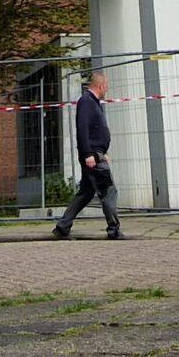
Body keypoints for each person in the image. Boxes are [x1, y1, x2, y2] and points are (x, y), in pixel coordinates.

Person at [52, 69, 122, 240]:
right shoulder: (87, 102)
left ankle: (62, 227)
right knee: (108, 191)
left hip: (96, 154)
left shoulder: (92, 102)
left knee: (86, 192)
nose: (107, 90)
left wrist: (101, 152)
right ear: (101, 85)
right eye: (106, 87)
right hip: (93, 157)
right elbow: (82, 129)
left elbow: (93, 130)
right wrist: (89, 154)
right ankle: (114, 229)